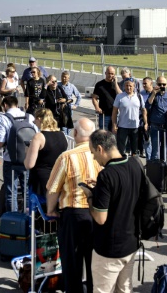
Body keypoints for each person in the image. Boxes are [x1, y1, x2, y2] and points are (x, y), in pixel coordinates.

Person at [82, 130, 143, 293]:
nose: (94, 157)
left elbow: (100, 218)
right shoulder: (135, 164)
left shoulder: (106, 175)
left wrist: (90, 197)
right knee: (124, 289)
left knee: (103, 290)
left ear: (100, 148)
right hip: (131, 242)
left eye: (93, 153)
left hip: (109, 248)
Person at [45, 117, 101, 293]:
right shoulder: (101, 155)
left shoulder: (67, 157)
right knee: (94, 265)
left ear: (75, 133)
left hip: (73, 214)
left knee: (72, 265)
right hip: (97, 214)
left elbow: (53, 189)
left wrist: (51, 210)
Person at [0, 96, 35, 215]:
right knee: (27, 191)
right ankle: (28, 220)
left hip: (10, 159)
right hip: (27, 159)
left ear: (5, 105)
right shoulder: (29, 117)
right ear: (17, 104)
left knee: (11, 192)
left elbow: (1, 142)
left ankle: (13, 221)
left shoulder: (4, 118)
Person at [24, 108, 68, 201]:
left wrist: (27, 151)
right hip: (59, 177)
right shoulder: (62, 135)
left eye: (35, 119)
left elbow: (29, 164)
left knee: (38, 207)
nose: (34, 122)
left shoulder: (39, 137)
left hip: (42, 180)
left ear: (40, 119)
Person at [111, 79, 146, 156]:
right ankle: (121, 164)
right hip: (122, 127)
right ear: (124, 86)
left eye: (130, 86)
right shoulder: (119, 96)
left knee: (134, 150)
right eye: (127, 85)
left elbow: (144, 110)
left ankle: (133, 164)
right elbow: (114, 112)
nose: (128, 87)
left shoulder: (139, 97)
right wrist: (114, 125)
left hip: (135, 127)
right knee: (121, 149)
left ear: (134, 86)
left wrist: (146, 123)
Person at [145, 76, 167, 163]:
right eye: (159, 84)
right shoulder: (153, 95)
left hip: (166, 128)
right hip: (155, 127)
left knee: (165, 150)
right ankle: (153, 170)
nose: (162, 86)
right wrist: (154, 93)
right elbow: (148, 105)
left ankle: (163, 169)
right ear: (156, 84)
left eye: (163, 84)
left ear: (166, 85)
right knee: (155, 151)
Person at [91, 67, 119, 132]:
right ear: (105, 73)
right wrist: (97, 107)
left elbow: (121, 95)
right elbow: (94, 98)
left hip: (115, 115)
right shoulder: (99, 85)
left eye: (112, 74)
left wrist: (116, 83)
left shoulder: (117, 85)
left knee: (114, 136)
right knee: (103, 134)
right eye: (109, 73)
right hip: (104, 115)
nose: (110, 75)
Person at [57, 71, 81, 135]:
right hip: (60, 109)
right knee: (63, 126)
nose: (63, 78)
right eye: (62, 77)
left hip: (69, 108)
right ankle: (65, 138)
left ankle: (68, 138)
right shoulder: (57, 85)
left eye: (65, 77)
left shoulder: (71, 86)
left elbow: (79, 96)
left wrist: (75, 105)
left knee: (69, 125)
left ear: (68, 78)